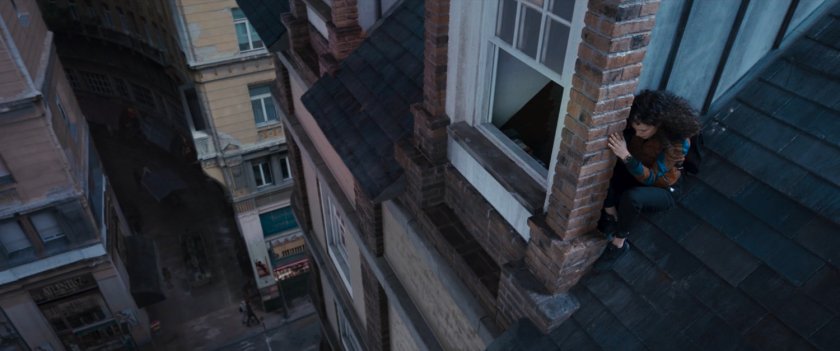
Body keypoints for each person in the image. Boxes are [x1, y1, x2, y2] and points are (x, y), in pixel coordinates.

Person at [593, 90, 700, 271]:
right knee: (604, 170)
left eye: (643, 130)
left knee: (633, 197)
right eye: (636, 129)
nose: (638, 133)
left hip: (663, 188)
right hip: (635, 173)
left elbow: (653, 177)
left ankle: (619, 243)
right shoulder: (638, 126)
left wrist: (626, 156)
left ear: (659, 125)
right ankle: (611, 213)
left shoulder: (678, 143)